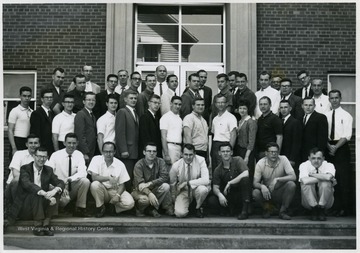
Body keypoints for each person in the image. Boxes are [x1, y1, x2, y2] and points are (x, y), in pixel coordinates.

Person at [6, 147, 65, 236]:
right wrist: (43, 192)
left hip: (41, 205)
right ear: (34, 156)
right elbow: (27, 184)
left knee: (55, 192)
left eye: (44, 157)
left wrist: (54, 191)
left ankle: (45, 224)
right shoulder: (25, 168)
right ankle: (38, 226)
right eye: (39, 156)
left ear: (47, 157)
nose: (42, 159)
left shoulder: (48, 170)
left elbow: (60, 182)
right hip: (25, 207)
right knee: (36, 193)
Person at [88, 142, 135, 217]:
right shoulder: (96, 159)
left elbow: (123, 184)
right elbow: (94, 178)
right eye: (106, 151)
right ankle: (100, 207)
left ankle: (112, 208)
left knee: (130, 203)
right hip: (102, 190)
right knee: (95, 184)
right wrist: (109, 178)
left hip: (115, 190)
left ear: (114, 152)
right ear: (102, 152)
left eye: (110, 151)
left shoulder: (120, 164)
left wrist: (118, 195)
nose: (108, 154)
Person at [48, 133, 90, 217]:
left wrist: (69, 179)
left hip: (71, 186)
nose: (71, 145)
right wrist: (60, 186)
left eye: (74, 143)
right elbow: (49, 173)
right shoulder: (56, 155)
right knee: (63, 201)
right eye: (69, 143)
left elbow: (83, 172)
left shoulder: (79, 154)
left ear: (77, 143)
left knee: (85, 181)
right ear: (64, 143)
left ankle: (80, 208)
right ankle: (60, 208)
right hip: (58, 187)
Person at [326, 90, 353, 216]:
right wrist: (329, 146)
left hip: (341, 148)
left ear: (340, 98)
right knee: (331, 178)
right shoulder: (326, 115)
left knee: (343, 179)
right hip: (329, 146)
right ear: (329, 99)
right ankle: (334, 206)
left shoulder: (347, 115)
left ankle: (344, 208)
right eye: (332, 98)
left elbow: (347, 135)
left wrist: (335, 147)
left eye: (336, 98)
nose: (334, 100)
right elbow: (324, 134)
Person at [252, 142, 296, 220]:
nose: (274, 154)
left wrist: (278, 179)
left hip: (280, 191)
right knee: (255, 192)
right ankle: (267, 209)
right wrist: (262, 186)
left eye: (276, 152)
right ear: (266, 153)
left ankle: (283, 211)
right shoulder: (260, 163)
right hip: (267, 192)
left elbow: (293, 176)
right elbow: (255, 183)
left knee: (291, 184)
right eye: (271, 152)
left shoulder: (283, 159)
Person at [209, 143, 251, 220]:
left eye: (227, 151)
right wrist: (220, 195)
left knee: (245, 180)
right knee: (212, 200)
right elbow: (215, 187)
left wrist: (230, 182)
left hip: (240, 193)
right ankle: (229, 209)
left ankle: (244, 211)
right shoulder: (217, 170)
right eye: (223, 151)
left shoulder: (238, 160)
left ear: (231, 152)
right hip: (229, 195)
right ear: (219, 153)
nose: (225, 153)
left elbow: (246, 173)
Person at [132, 143, 174, 217]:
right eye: (149, 151)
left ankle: (151, 209)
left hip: (154, 189)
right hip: (140, 191)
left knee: (165, 186)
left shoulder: (160, 161)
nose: (152, 153)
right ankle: (139, 209)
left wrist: (150, 183)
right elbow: (140, 184)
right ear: (144, 152)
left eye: (154, 151)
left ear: (156, 153)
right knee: (144, 200)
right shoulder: (139, 164)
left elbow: (165, 177)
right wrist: (149, 194)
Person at [169, 144, 210, 218]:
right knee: (180, 213)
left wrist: (187, 183)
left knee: (203, 190)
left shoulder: (201, 160)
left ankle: (198, 208)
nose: (188, 157)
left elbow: (206, 180)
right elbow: (172, 185)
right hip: (183, 191)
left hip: (196, 189)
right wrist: (174, 201)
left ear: (194, 154)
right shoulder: (176, 166)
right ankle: (188, 207)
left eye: (190, 155)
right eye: (186, 154)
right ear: (181, 154)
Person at [299, 148, 336, 221]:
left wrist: (311, 175)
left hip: (326, 203)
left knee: (325, 183)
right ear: (309, 158)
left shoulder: (329, 165)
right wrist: (323, 177)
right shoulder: (304, 165)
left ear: (323, 158)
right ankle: (314, 209)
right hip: (308, 203)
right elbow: (305, 181)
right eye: (313, 158)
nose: (316, 161)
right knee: (306, 184)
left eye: (319, 158)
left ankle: (321, 208)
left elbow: (328, 177)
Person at [115, 89, 139, 191]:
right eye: (131, 98)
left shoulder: (135, 113)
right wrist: (123, 149)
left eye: (135, 98)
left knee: (132, 177)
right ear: (125, 99)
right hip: (127, 152)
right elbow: (120, 133)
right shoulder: (122, 112)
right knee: (126, 177)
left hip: (134, 151)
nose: (133, 100)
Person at [5, 134, 41, 203]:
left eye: (35, 143)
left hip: (32, 188)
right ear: (26, 144)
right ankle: (14, 204)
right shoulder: (19, 154)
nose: (33, 145)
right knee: (17, 179)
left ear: (39, 144)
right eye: (30, 143)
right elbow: (16, 174)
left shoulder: (42, 157)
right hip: (15, 188)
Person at [211, 94, 237, 173]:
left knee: (224, 169)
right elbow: (213, 134)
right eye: (218, 102)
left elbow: (233, 135)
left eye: (222, 102)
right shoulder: (215, 119)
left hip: (225, 145)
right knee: (215, 169)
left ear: (226, 104)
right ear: (215, 104)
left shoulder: (231, 117)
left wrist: (229, 150)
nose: (220, 104)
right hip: (215, 146)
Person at [234, 100, 257, 181]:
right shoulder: (239, 121)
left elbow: (251, 141)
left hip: (247, 151)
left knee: (247, 172)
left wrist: (247, 156)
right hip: (239, 150)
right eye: (240, 108)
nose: (242, 110)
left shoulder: (251, 122)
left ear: (248, 110)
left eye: (244, 108)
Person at [8, 86, 33, 156]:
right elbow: (10, 130)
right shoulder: (15, 111)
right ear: (20, 96)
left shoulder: (32, 112)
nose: (27, 98)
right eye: (24, 96)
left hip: (28, 142)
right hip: (17, 141)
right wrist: (14, 148)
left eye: (29, 96)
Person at [301, 97, 328, 161]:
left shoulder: (321, 118)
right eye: (306, 105)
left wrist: (318, 154)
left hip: (314, 154)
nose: (308, 107)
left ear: (314, 106)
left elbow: (322, 139)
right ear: (302, 106)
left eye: (310, 105)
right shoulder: (299, 118)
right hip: (301, 153)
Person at [74, 92, 97, 164]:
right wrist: (84, 152)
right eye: (89, 100)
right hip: (85, 152)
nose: (91, 102)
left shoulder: (92, 115)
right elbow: (80, 135)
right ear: (84, 101)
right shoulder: (81, 114)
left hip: (92, 150)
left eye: (93, 100)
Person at [183, 98, 209, 162]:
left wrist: (208, 155)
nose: (200, 107)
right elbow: (187, 136)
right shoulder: (189, 118)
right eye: (198, 105)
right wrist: (190, 153)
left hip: (204, 151)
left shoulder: (204, 120)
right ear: (193, 106)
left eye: (202, 105)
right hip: (195, 151)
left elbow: (206, 139)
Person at [30, 88, 55, 156]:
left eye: (51, 97)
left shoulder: (53, 113)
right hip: (41, 147)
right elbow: (35, 132)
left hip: (51, 147)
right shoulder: (36, 113)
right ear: (42, 99)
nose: (49, 99)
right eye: (47, 97)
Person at [279, 100, 302, 169]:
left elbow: (297, 142)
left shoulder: (295, 122)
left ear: (290, 108)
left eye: (285, 107)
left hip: (290, 156)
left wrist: (292, 158)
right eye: (281, 107)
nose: (283, 110)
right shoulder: (278, 121)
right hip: (280, 155)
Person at [160, 96, 183, 165]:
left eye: (179, 104)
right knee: (170, 172)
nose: (177, 106)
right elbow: (163, 137)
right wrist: (166, 154)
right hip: (170, 147)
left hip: (178, 147)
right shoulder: (165, 117)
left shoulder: (179, 119)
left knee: (177, 172)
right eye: (175, 104)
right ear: (171, 104)